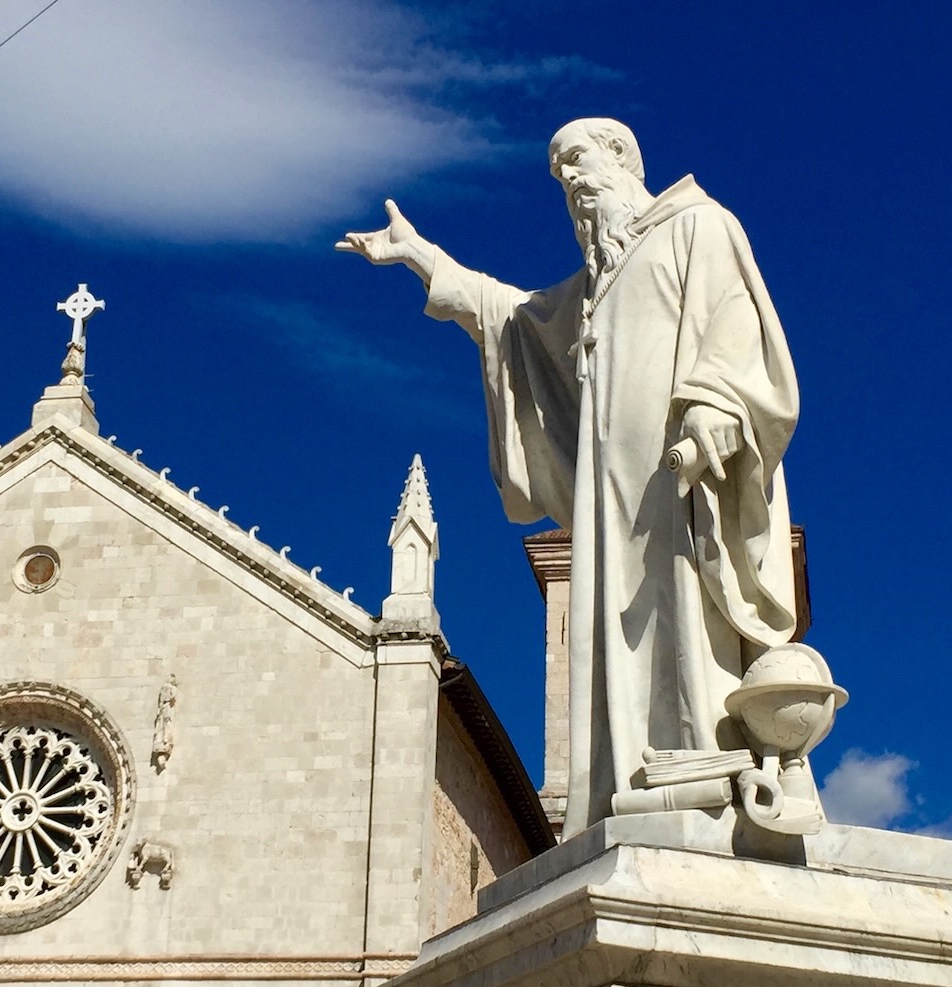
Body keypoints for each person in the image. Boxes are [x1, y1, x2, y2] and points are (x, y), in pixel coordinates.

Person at [338, 118, 799, 834]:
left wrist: (714, 406)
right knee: (616, 619)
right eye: (560, 176)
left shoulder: (696, 226)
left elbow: (736, 324)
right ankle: (628, 776)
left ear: (621, 157)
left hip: (680, 477)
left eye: (578, 162)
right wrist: (421, 256)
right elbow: (509, 315)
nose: (572, 182)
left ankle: (706, 766)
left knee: (684, 609)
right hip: (612, 498)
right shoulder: (594, 287)